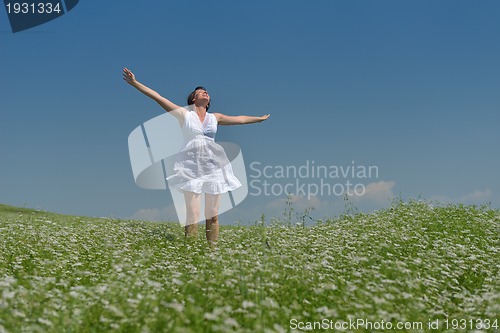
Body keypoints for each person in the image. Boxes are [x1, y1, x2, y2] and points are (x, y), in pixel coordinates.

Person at [123, 68, 270, 244]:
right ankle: (191, 253)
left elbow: (240, 119)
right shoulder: (185, 115)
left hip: (214, 165)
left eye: (206, 92)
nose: (205, 92)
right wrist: (135, 83)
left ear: (208, 102)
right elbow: (158, 97)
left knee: (213, 215)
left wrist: (259, 119)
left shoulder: (215, 117)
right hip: (191, 166)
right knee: (193, 214)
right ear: (194, 99)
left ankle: (211, 253)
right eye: (201, 91)